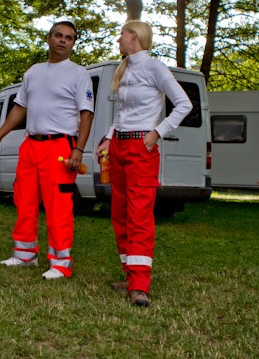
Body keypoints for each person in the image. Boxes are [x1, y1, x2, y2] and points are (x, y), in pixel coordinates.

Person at [0, 21, 94, 280]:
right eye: (58, 35)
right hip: (30, 145)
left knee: (58, 207)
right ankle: (24, 255)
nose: (63, 40)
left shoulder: (79, 74)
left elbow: (86, 114)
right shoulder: (33, 72)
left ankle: (60, 264)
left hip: (60, 147)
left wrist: (78, 149)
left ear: (73, 43)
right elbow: (20, 108)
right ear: (49, 38)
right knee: (25, 202)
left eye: (69, 38)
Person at [96, 21, 192, 306]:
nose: (118, 40)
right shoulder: (125, 69)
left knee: (139, 216)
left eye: (121, 35)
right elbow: (121, 113)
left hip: (141, 147)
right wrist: (107, 139)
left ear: (134, 36)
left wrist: (157, 132)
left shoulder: (155, 68)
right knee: (120, 213)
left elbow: (184, 104)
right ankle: (129, 275)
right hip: (118, 146)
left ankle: (140, 285)